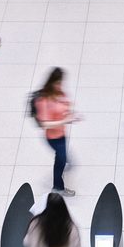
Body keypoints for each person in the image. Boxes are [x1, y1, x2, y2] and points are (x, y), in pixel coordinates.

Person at [34, 68, 80, 197]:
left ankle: (65, 161)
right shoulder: (43, 100)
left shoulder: (59, 92)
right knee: (60, 161)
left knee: (62, 157)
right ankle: (58, 187)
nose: (60, 86)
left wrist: (71, 115)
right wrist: (64, 121)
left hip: (61, 134)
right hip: (53, 138)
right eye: (58, 83)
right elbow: (44, 124)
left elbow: (65, 106)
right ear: (51, 82)